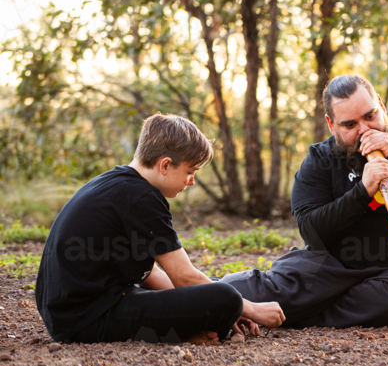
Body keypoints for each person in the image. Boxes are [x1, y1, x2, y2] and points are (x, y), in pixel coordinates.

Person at [222, 73, 388, 328]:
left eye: (370, 116)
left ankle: (289, 313)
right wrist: (362, 192)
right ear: (331, 124)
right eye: (350, 125)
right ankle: (206, 296)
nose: (365, 130)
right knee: (236, 291)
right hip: (331, 267)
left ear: (380, 104)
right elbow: (311, 232)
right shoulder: (319, 159)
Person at [35, 114, 285, 344]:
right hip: (88, 319)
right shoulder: (141, 196)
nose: (192, 181)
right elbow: (183, 276)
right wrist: (249, 308)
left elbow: (149, 274)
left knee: (216, 289)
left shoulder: (118, 184)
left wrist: (220, 304)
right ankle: (181, 331)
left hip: (71, 315)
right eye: (189, 171)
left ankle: (183, 330)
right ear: (165, 165)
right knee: (225, 296)